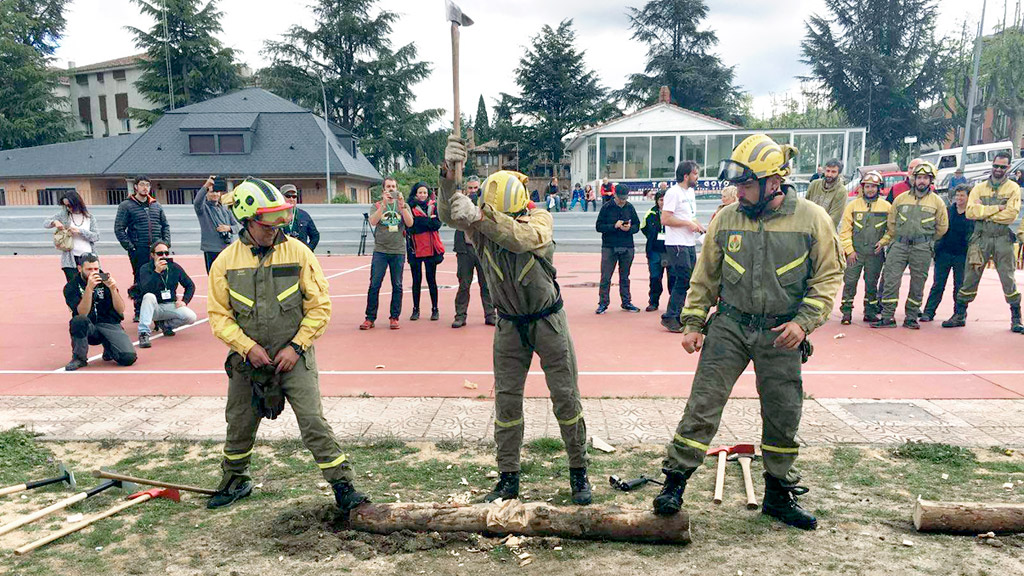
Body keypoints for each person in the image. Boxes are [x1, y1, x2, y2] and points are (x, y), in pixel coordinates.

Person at [653, 134, 843, 531]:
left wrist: (803, 322)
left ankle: (777, 494)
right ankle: (674, 483)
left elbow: (828, 278)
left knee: (783, 412)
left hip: (782, 332)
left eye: (746, 184)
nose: (738, 192)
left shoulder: (812, 220)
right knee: (703, 404)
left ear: (774, 182)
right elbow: (705, 275)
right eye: (736, 184)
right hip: (730, 327)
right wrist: (693, 322)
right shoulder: (727, 219)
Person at [439, 136, 592, 506]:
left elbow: (521, 238)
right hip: (509, 325)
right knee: (506, 404)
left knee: (566, 399)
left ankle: (579, 472)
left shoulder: (539, 220)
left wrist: (479, 216)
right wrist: (447, 179)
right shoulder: (481, 226)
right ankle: (508, 478)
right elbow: (448, 214)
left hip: (548, 322)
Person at [206, 177, 368, 512]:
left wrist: (296, 347)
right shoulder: (225, 262)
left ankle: (343, 486)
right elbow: (219, 316)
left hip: (294, 357)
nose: (276, 228)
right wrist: (246, 347)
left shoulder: (299, 253)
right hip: (246, 362)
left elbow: (320, 307)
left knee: (313, 422)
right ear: (248, 221)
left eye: (280, 220)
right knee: (239, 423)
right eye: (268, 223)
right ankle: (235, 480)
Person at [943, 151, 1024, 333]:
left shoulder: (1012, 188)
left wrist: (984, 211)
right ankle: (959, 314)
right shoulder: (979, 188)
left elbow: (1011, 215)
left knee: (1008, 278)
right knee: (970, 277)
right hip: (980, 239)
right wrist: (997, 208)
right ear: (992, 165)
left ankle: (1016, 318)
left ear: (1008, 167)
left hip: (1002, 238)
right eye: (996, 165)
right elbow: (971, 212)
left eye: (1002, 166)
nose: (998, 169)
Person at [871, 162, 949, 329]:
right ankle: (887, 317)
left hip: (922, 248)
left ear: (931, 180)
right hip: (899, 245)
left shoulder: (937, 202)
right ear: (914, 179)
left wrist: (927, 241)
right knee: (891, 281)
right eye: (919, 177)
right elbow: (891, 222)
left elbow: (942, 227)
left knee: (917, 283)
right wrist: (897, 238)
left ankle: (911, 317)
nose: (921, 181)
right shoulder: (901, 199)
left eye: (925, 178)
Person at [63, 253, 137, 371]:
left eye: (96, 269)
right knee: (78, 320)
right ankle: (79, 358)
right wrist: (89, 289)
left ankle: (110, 347)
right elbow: (82, 312)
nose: (93, 272)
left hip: (109, 323)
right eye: (89, 269)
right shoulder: (72, 286)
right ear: (80, 268)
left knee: (128, 358)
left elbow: (120, 309)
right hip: (89, 326)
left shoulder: (105, 280)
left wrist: (113, 289)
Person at [114, 175, 170, 322]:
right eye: (142, 185)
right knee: (140, 279)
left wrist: (166, 244)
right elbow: (119, 228)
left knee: (161, 277)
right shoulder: (126, 205)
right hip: (139, 249)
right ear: (136, 187)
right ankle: (139, 310)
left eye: (147, 185)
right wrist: (130, 247)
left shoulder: (156, 205)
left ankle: (161, 309)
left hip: (157, 250)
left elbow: (165, 226)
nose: (145, 188)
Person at [838, 171, 891, 325]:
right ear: (862, 187)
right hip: (855, 253)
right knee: (850, 282)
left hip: (875, 254)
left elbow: (892, 229)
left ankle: (870, 312)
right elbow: (845, 231)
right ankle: (846, 312)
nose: (870, 189)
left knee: (871, 284)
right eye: (867, 186)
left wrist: (884, 242)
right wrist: (849, 251)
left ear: (879, 188)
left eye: (873, 186)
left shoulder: (887, 207)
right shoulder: (852, 206)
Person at [361, 177, 413, 330]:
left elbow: (410, 223)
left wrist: (402, 207)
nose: (391, 189)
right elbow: (373, 221)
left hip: (398, 251)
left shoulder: (403, 205)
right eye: (388, 186)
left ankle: (394, 317)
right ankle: (370, 318)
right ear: (383, 189)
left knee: (397, 285)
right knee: (374, 284)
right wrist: (383, 205)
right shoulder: (377, 205)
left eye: (393, 186)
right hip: (381, 251)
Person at [660, 160, 706, 332]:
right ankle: (671, 316)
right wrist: (688, 224)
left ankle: (677, 314)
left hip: (688, 242)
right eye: (695, 174)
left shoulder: (690, 193)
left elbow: (690, 217)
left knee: (690, 279)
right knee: (684, 279)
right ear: (686, 176)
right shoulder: (673, 192)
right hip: (676, 243)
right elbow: (665, 219)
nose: (697, 177)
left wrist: (700, 227)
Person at [920, 185, 973, 322]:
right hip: (944, 253)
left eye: (962, 195)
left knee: (959, 286)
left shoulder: (973, 213)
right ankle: (929, 312)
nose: (959, 198)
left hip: (962, 255)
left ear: (969, 197)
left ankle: (959, 314)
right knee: (938, 285)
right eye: (957, 195)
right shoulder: (948, 211)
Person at [452, 176, 495, 328]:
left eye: (476, 188)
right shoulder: (460, 203)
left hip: (482, 248)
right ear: (466, 189)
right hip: (465, 248)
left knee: (486, 284)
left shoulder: (486, 204)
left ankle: (490, 315)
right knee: (464, 284)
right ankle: (460, 316)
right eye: (470, 188)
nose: (473, 191)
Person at [136, 240, 197, 348]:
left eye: (166, 253)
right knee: (149, 296)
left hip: (170, 305)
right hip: (152, 308)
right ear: (153, 255)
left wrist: (184, 301)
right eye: (160, 253)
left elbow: (190, 285)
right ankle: (143, 333)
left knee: (191, 317)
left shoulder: (174, 267)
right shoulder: (145, 268)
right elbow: (146, 289)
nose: (164, 256)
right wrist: (157, 272)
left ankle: (165, 325)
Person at [595, 184, 642, 314]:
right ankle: (603, 303)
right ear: (615, 195)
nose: (623, 201)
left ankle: (626, 302)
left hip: (627, 245)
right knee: (606, 276)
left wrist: (630, 228)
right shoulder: (606, 207)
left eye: (625, 198)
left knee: (625, 276)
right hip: (609, 246)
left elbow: (637, 225)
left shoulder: (630, 207)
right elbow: (599, 226)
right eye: (621, 198)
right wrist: (613, 226)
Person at [406, 182, 445, 321]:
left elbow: (437, 225)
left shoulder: (434, 206)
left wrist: (420, 221)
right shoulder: (409, 206)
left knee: (431, 279)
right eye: (420, 192)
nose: (422, 195)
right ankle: (415, 309)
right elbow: (411, 227)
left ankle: (435, 309)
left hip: (431, 248)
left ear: (428, 194)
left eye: (425, 192)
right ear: (415, 193)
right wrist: (428, 221)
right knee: (416, 280)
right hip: (415, 248)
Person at [45, 190, 99, 282]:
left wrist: (80, 231)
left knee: (90, 284)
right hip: (70, 259)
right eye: (65, 205)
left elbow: (96, 236)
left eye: (69, 205)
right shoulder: (64, 215)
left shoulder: (90, 217)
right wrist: (55, 222)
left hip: (88, 257)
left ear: (76, 203)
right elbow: (46, 223)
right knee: (73, 286)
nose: (68, 208)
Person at [193, 175, 238, 273]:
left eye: (217, 192)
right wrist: (206, 186)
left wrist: (228, 228)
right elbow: (197, 202)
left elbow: (236, 227)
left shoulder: (225, 210)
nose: (215, 194)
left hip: (227, 248)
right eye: (212, 192)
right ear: (207, 194)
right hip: (212, 250)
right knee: (214, 277)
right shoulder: (203, 209)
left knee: (229, 276)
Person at [641, 190, 672, 312]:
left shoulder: (675, 212)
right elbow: (644, 227)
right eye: (661, 200)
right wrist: (652, 237)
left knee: (673, 278)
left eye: (666, 200)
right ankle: (653, 302)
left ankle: (674, 304)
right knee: (655, 277)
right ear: (657, 201)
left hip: (671, 250)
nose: (663, 202)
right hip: (655, 250)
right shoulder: (651, 213)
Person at [804, 158, 847, 229]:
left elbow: (834, 219)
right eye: (828, 171)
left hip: (826, 231)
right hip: (808, 228)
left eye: (833, 172)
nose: (829, 174)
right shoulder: (814, 184)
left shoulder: (841, 191)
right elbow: (805, 207)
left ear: (839, 173)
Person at [281, 185, 320, 251]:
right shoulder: (276, 215)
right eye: (288, 196)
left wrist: (308, 250)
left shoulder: (304, 215)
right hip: (283, 253)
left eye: (294, 196)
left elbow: (315, 236)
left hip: (300, 254)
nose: (291, 199)